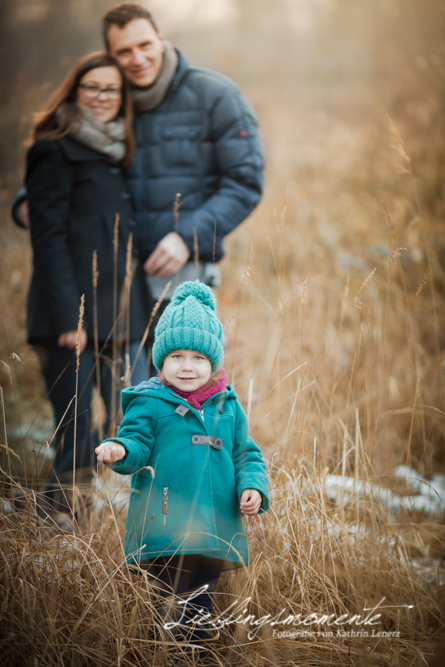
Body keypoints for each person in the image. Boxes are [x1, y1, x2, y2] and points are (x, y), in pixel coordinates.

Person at [13, 2, 265, 374]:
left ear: (161, 40)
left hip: (180, 275)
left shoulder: (215, 95)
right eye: (124, 51)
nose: (137, 58)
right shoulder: (110, 99)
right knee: (128, 400)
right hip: (111, 283)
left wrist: (187, 237)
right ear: (111, 55)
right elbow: (66, 158)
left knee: (183, 388)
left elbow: (245, 182)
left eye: (144, 45)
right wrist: (26, 203)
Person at [95, 280, 270, 658]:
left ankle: (192, 656)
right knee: (163, 602)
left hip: (213, 530)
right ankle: (154, 652)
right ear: (161, 361)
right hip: (164, 525)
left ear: (213, 362)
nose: (187, 367)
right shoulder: (151, 403)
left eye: (197, 358)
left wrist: (252, 486)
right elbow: (137, 443)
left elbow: (246, 454)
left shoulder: (227, 406)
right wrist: (118, 449)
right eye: (176, 357)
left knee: (198, 608)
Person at [25, 51, 150, 520]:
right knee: (75, 426)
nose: (101, 97)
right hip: (69, 318)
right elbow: (48, 238)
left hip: (117, 316)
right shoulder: (53, 150)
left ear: (123, 99)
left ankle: (87, 513)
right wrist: (66, 319)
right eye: (92, 87)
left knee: (126, 417)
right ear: (75, 91)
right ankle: (60, 523)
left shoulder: (119, 152)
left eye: (111, 89)